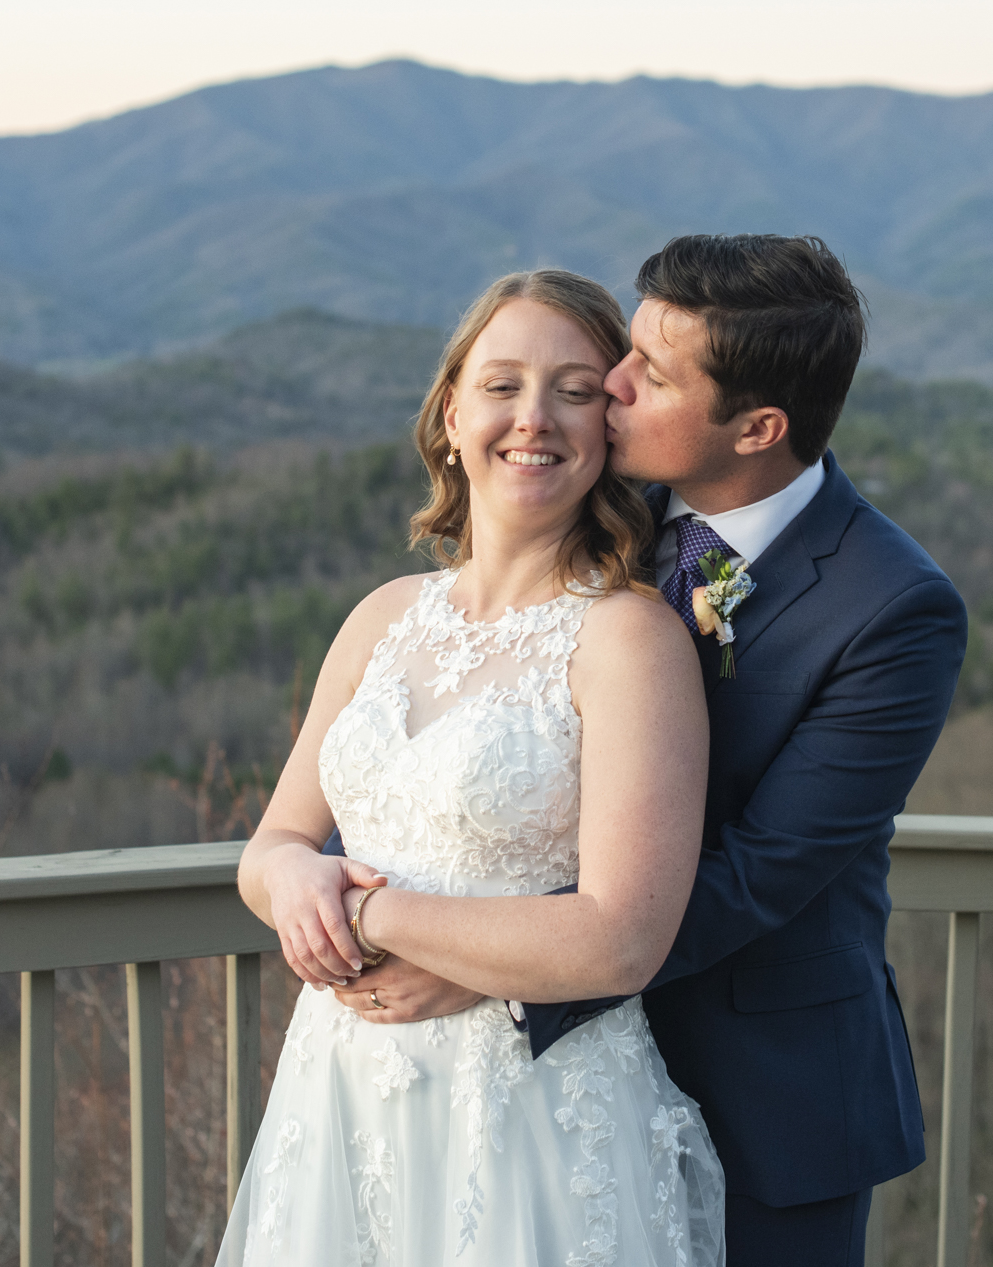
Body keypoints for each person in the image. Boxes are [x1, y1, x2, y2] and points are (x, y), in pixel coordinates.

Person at [325, 234, 969, 1266]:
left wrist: (492, 962)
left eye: (649, 375)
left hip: (766, 1087)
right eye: (627, 352)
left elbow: (761, 872)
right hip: (538, 1099)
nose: (610, 387)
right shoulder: (609, 517)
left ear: (757, 426)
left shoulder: (891, 610)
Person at [219, 269, 726, 1266]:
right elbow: (271, 843)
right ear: (450, 414)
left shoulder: (629, 639)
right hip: (340, 1096)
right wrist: (295, 877)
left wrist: (371, 918)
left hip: (528, 1115)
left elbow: (620, 938)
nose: (531, 418)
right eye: (501, 385)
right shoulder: (381, 616)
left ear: (607, 430)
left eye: (575, 390)